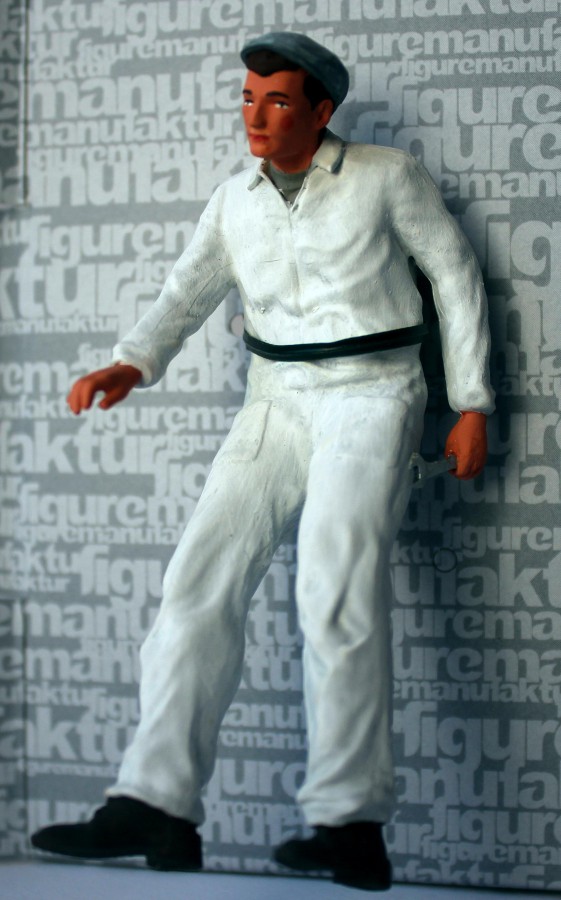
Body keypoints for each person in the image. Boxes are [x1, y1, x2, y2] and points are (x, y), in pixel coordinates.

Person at [31, 32, 494, 891]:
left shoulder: (385, 176)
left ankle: (349, 823)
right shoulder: (234, 200)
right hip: (274, 396)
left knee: (334, 584)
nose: (255, 116)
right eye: (248, 99)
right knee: (196, 579)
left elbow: (454, 274)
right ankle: (157, 803)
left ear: (320, 111)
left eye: (276, 101)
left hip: (372, 390)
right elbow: (186, 290)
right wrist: (132, 362)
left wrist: (470, 403)